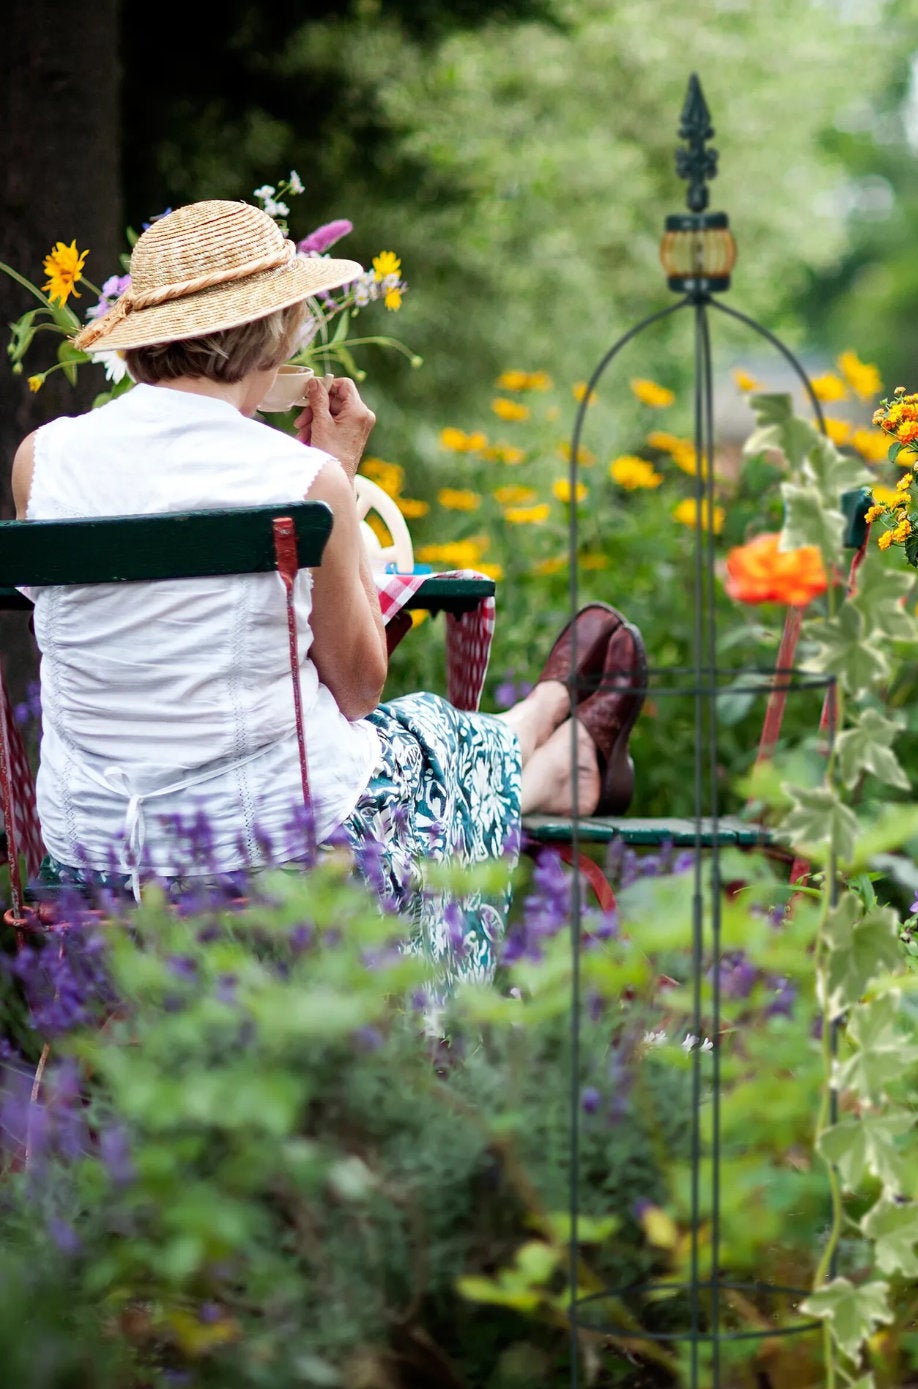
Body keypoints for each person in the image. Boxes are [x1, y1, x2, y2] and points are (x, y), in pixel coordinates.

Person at [10, 198, 646, 979]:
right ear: (275, 334)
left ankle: (548, 749)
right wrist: (334, 476)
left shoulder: (42, 459)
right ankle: (544, 748)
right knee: (427, 734)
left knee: (416, 743)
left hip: (95, 846)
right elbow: (357, 689)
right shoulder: (301, 478)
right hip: (264, 842)